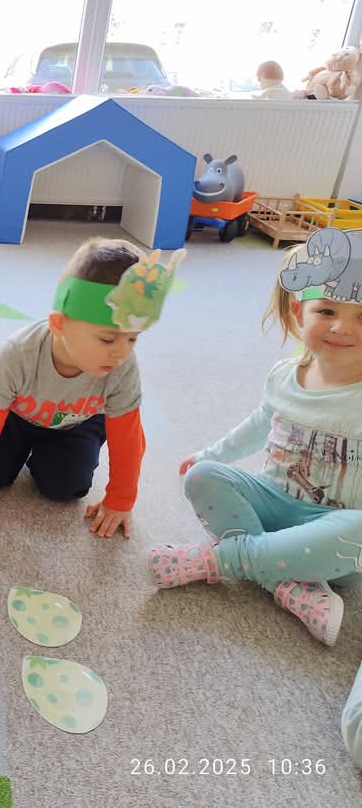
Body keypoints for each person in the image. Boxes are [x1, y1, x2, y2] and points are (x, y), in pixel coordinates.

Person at [147, 229, 362, 646]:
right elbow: (259, 424)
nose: (341, 327)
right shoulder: (285, 376)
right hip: (270, 505)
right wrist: (210, 454)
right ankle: (286, 582)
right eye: (327, 311)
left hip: (331, 532)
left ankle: (218, 561)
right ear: (300, 313)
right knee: (202, 476)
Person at [0, 238, 184, 539]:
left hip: (77, 423)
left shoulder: (122, 366)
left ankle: (45, 455)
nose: (122, 352)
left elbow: (128, 437)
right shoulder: (18, 354)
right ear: (59, 324)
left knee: (66, 488)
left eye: (133, 339)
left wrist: (120, 501)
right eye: (107, 339)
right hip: (14, 417)